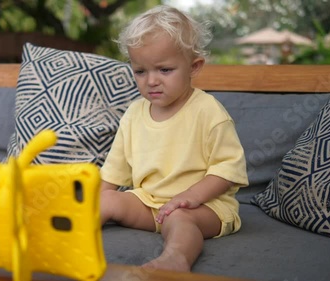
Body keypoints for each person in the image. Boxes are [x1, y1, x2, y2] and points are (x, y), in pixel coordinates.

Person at [99, 5, 249, 272]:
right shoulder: (134, 114)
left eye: (164, 70)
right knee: (106, 201)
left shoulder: (208, 111)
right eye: (141, 71)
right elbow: (111, 176)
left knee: (180, 218)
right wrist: (94, 204)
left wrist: (191, 196)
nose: (151, 81)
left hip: (205, 207)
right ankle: (61, 235)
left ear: (194, 67)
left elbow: (227, 170)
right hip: (149, 204)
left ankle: (176, 260)